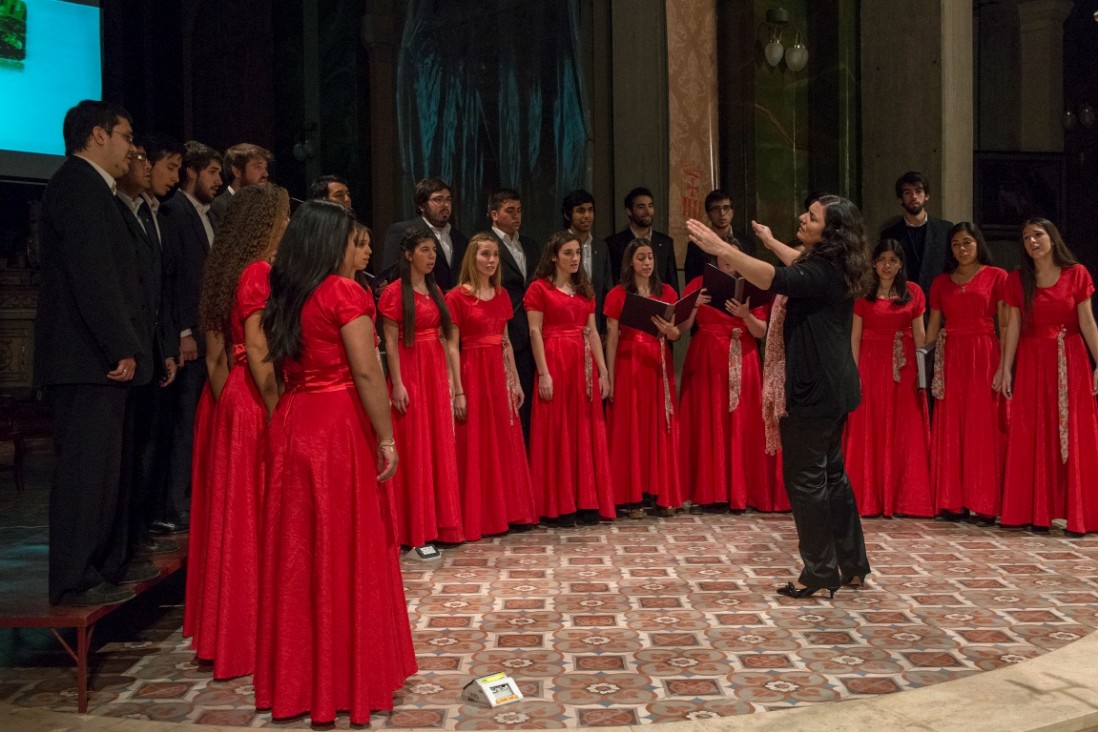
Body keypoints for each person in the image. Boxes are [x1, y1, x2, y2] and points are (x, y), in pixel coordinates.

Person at [255, 201, 414, 724]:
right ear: (330, 242)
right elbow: (368, 374)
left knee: (300, 553)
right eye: (350, 239)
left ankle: (301, 680)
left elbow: (275, 371)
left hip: (295, 421)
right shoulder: (343, 292)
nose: (356, 248)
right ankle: (348, 679)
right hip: (337, 426)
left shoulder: (287, 291)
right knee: (349, 547)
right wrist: (388, 439)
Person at [686, 195, 872, 598]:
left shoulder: (821, 270)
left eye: (813, 216)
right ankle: (853, 564)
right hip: (834, 386)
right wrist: (770, 242)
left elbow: (776, 279)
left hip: (813, 390)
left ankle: (820, 571)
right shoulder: (834, 264)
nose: (802, 217)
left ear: (831, 231)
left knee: (806, 481)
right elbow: (795, 265)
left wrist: (722, 249)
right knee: (833, 477)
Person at [35, 100, 146, 606]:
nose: (130, 148)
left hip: (93, 357)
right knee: (84, 471)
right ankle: (72, 576)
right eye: (125, 136)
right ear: (98, 136)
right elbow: (92, 275)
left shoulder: (96, 190)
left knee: (103, 472)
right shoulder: (77, 185)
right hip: (84, 359)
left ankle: (93, 565)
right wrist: (119, 343)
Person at [187, 184, 288, 679]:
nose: (288, 226)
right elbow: (258, 347)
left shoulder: (224, 269)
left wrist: (229, 405)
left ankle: (234, 629)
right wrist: (272, 412)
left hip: (229, 398)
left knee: (238, 514)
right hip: (254, 396)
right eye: (284, 217)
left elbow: (214, 357)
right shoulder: (259, 273)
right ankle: (253, 634)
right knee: (257, 516)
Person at [996, 218, 1098, 535]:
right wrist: (1004, 367)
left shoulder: (1076, 274)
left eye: (1038, 235)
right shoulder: (1017, 280)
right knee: (1032, 431)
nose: (1032, 241)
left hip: (1070, 359)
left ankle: (1080, 515)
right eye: (1026, 237)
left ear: (1052, 238)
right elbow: (1012, 326)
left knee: (1076, 431)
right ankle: (1034, 511)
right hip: (1031, 360)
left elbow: (1087, 323)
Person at [678, 250, 786, 514]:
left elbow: (761, 332)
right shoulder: (697, 283)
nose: (727, 260)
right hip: (706, 360)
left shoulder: (753, 286)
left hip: (743, 357)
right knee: (708, 421)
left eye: (732, 255)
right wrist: (694, 305)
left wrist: (746, 314)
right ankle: (708, 491)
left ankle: (739, 491)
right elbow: (681, 328)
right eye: (722, 255)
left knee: (742, 423)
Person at [444, 232, 537, 540]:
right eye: (485, 254)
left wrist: (516, 381)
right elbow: (452, 346)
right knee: (475, 443)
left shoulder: (501, 295)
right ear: (473, 258)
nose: (491, 260)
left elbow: (507, 339)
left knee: (502, 440)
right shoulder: (456, 296)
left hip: (498, 373)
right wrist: (457, 389)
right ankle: (477, 516)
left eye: (495, 255)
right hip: (472, 371)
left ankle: (507, 512)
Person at [379, 229, 463, 557]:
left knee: (435, 444)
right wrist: (398, 383)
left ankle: (438, 523)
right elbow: (389, 341)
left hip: (432, 369)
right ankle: (411, 528)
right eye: (425, 250)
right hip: (410, 369)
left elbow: (443, 336)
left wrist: (448, 381)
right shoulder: (394, 293)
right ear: (408, 254)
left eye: (433, 251)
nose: (431, 256)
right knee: (414, 446)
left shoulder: (433, 290)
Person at [525, 231, 616, 527]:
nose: (575, 258)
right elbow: (535, 331)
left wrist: (603, 372)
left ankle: (587, 500)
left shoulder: (584, 290)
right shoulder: (539, 289)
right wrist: (544, 373)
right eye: (568, 253)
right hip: (555, 360)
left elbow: (591, 332)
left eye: (577, 252)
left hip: (582, 366)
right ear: (554, 256)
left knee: (585, 429)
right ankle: (557, 503)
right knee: (557, 429)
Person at [924, 222, 1009, 525]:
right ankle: (952, 502)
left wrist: (1005, 365)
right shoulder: (941, 282)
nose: (961, 249)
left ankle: (984, 503)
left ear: (978, 244)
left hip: (985, 353)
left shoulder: (997, 276)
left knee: (982, 427)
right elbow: (932, 327)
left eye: (967, 243)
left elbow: (1007, 323)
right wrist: (924, 365)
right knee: (951, 424)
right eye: (956, 244)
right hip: (950, 357)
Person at [160, 140, 222, 545]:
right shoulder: (174, 211)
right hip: (189, 336)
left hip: (207, 333)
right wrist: (183, 331)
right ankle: (173, 505)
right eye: (213, 172)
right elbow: (174, 276)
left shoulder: (206, 214)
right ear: (191, 173)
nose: (218, 180)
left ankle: (192, 497)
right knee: (182, 423)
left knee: (197, 420)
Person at [843, 239, 933, 518]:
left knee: (904, 430)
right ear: (873, 262)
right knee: (868, 427)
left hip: (903, 368)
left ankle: (905, 499)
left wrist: (923, 373)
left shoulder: (913, 292)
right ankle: (867, 498)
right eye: (882, 259)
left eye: (893, 260)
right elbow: (854, 337)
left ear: (901, 264)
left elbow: (920, 335)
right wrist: (853, 373)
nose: (887, 265)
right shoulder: (862, 293)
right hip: (870, 366)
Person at [603, 239, 683, 517]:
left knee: (658, 425)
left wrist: (672, 333)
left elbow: (676, 332)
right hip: (628, 364)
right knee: (630, 426)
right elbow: (611, 338)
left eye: (650, 257)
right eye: (641, 258)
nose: (647, 263)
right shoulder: (617, 294)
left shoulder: (668, 291)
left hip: (657, 363)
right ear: (630, 262)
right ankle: (631, 495)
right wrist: (609, 376)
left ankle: (659, 492)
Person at [488, 188, 541, 439]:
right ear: (494, 214)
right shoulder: (486, 244)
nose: (516, 216)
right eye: (510, 211)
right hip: (505, 331)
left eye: (519, 210)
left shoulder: (530, 244)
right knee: (509, 401)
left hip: (533, 331)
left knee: (531, 403)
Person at [381, 177, 468, 290]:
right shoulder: (402, 231)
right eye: (438, 200)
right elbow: (390, 277)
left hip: (453, 305)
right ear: (421, 206)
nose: (445, 205)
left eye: (448, 199)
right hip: (415, 303)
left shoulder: (460, 238)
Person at [880, 171, 954, 296]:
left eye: (918, 191)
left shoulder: (945, 229)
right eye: (907, 192)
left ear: (926, 195)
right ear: (900, 198)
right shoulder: (890, 234)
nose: (913, 196)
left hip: (938, 300)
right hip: (903, 299)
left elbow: (951, 266)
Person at [562, 189, 613, 333]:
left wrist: (604, 329)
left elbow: (606, 289)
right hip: (567, 324)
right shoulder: (559, 244)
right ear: (568, 214)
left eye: (590, 210)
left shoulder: (600, 246)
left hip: (595, 324)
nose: (587, 215)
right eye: (580, 210)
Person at [606, 186, 678, 287]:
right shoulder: (614, 244)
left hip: (661, 299)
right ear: (629, 211)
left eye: (650, 206)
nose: (647, 211)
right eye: (641, 207)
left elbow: (672, 282)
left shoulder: (666, 242)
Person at [208, 142, 272, 224]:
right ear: (237, 171)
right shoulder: (217, 209)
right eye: (258, 167)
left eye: (265, 167)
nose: (265, 174)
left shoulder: (264, 206)